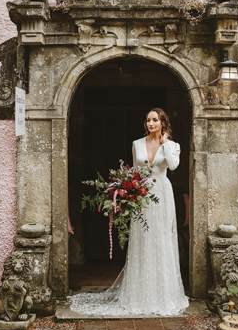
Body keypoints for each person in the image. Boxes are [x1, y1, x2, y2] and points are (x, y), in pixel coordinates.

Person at [69, 108, 189, 316]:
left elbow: (174, 165)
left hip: (162, 194)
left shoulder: (172, 146)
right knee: (143, 240)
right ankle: (139, 294)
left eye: (155, 120)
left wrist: (165, 143)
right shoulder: (137, 144)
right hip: (142, 195)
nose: (150, 124)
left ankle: (163, 295)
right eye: (148, 120)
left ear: (163, 123)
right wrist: (128, 192)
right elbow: (134, 172)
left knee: (161, 240)